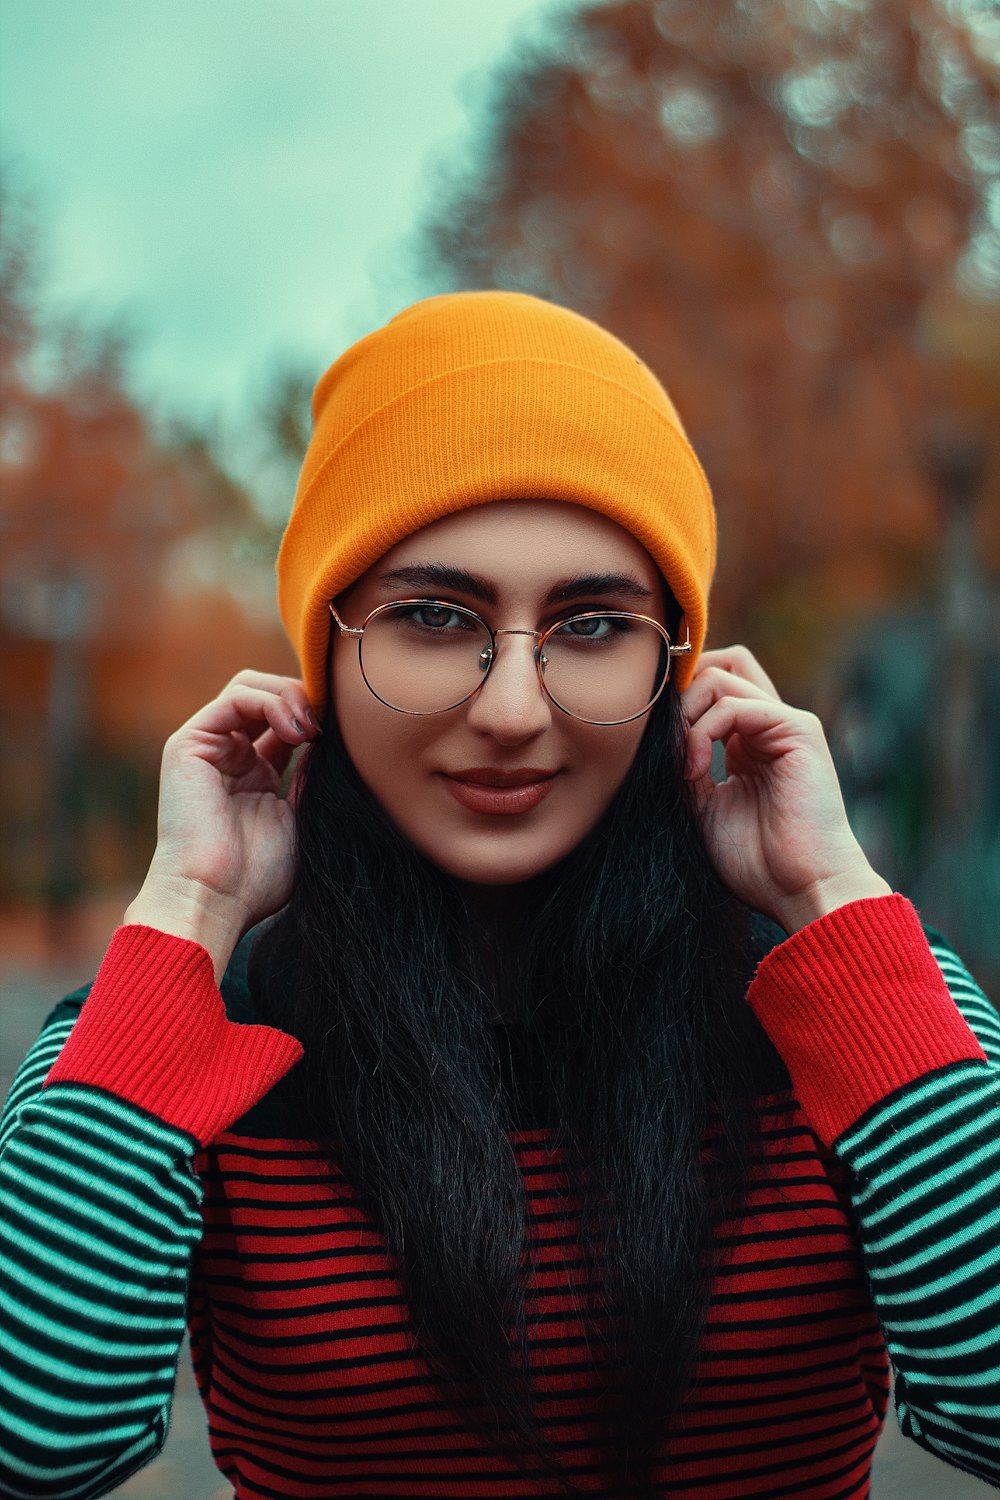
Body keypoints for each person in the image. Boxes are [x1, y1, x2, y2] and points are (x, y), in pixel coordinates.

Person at [1, 291, 997, 1500]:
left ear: (675, 667)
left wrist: (829, 888)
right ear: (324, 658)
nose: (514, 711)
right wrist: (192, 905)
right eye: (431, 616)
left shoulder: (870, 1002)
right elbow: (38, 1438)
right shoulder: (168, 1035)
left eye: (591, 623)